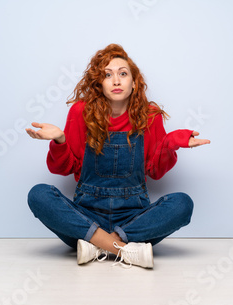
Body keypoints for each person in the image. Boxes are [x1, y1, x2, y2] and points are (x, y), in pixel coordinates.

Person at [26, 44, 210, 269]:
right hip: (86, 216)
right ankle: (125, 249)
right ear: (99, 83)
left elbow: (155, 171)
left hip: (134, 219)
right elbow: (64, 168)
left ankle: (96, 246)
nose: (116, 81)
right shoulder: (81, 112)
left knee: (182, 203)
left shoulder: (149, 115)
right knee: (39, 194)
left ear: (134, 83)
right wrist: (60, 141)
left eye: (123, 74)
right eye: (107, 75)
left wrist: (170, 144)